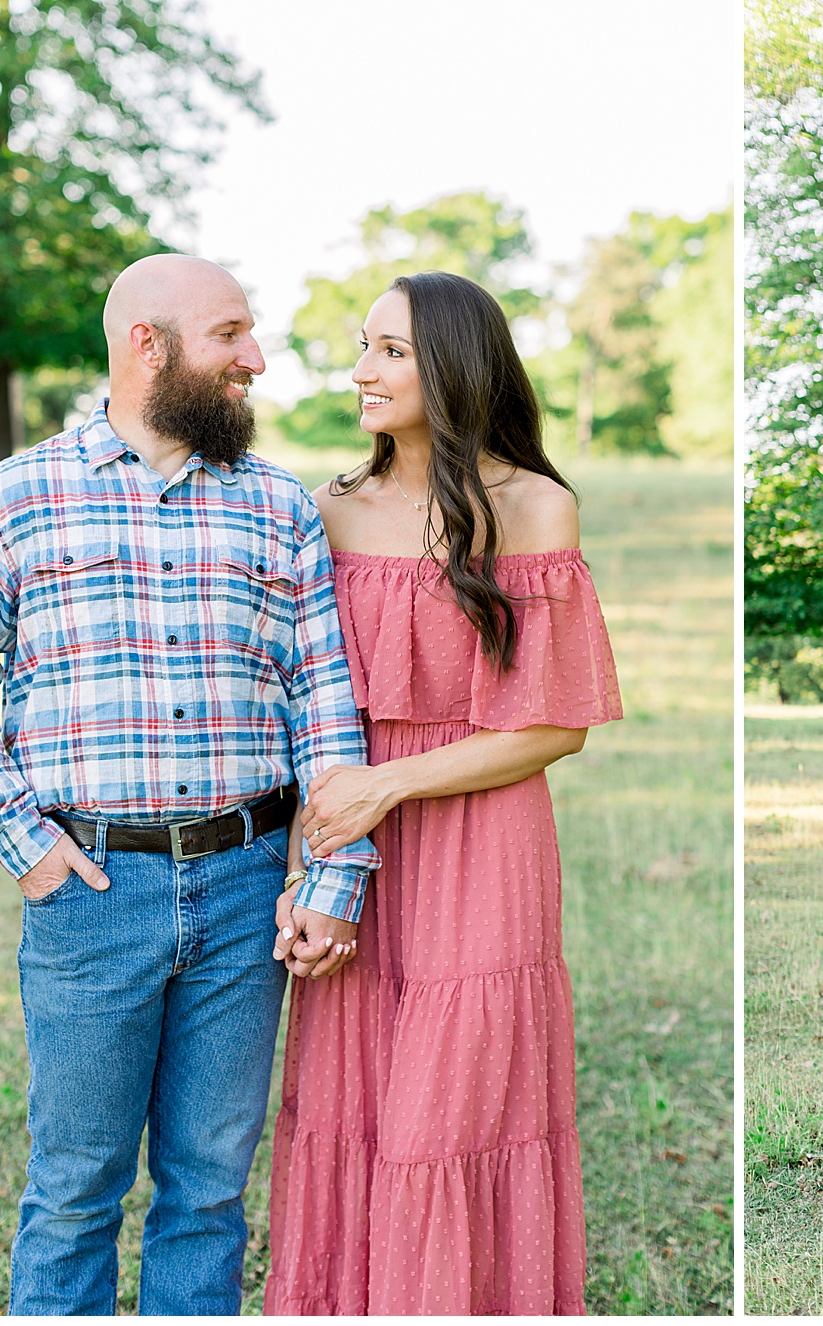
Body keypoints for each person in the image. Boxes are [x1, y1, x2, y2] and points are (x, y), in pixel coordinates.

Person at [0, 254, 378, 1314]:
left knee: (209, 1194)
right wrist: (20, 841)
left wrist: (336, 875)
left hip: (250, 888)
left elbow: (326, 703)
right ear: (147, 345)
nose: (256, 358)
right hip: (90, 896)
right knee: (75, 1191)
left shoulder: (279, 509)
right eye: (231, 335)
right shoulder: (15, 497)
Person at [261, 272, 621, 1316]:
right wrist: (320, 857)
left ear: (455, 365)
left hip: (482, 842)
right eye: (362, 347)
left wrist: (393, 783)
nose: (361, 371)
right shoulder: (325, 508)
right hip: (350, 838)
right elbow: (306, 709)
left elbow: (556, 723)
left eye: (390, 351)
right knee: (352, 1100)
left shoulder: (533, 503)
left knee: (452, 1112)